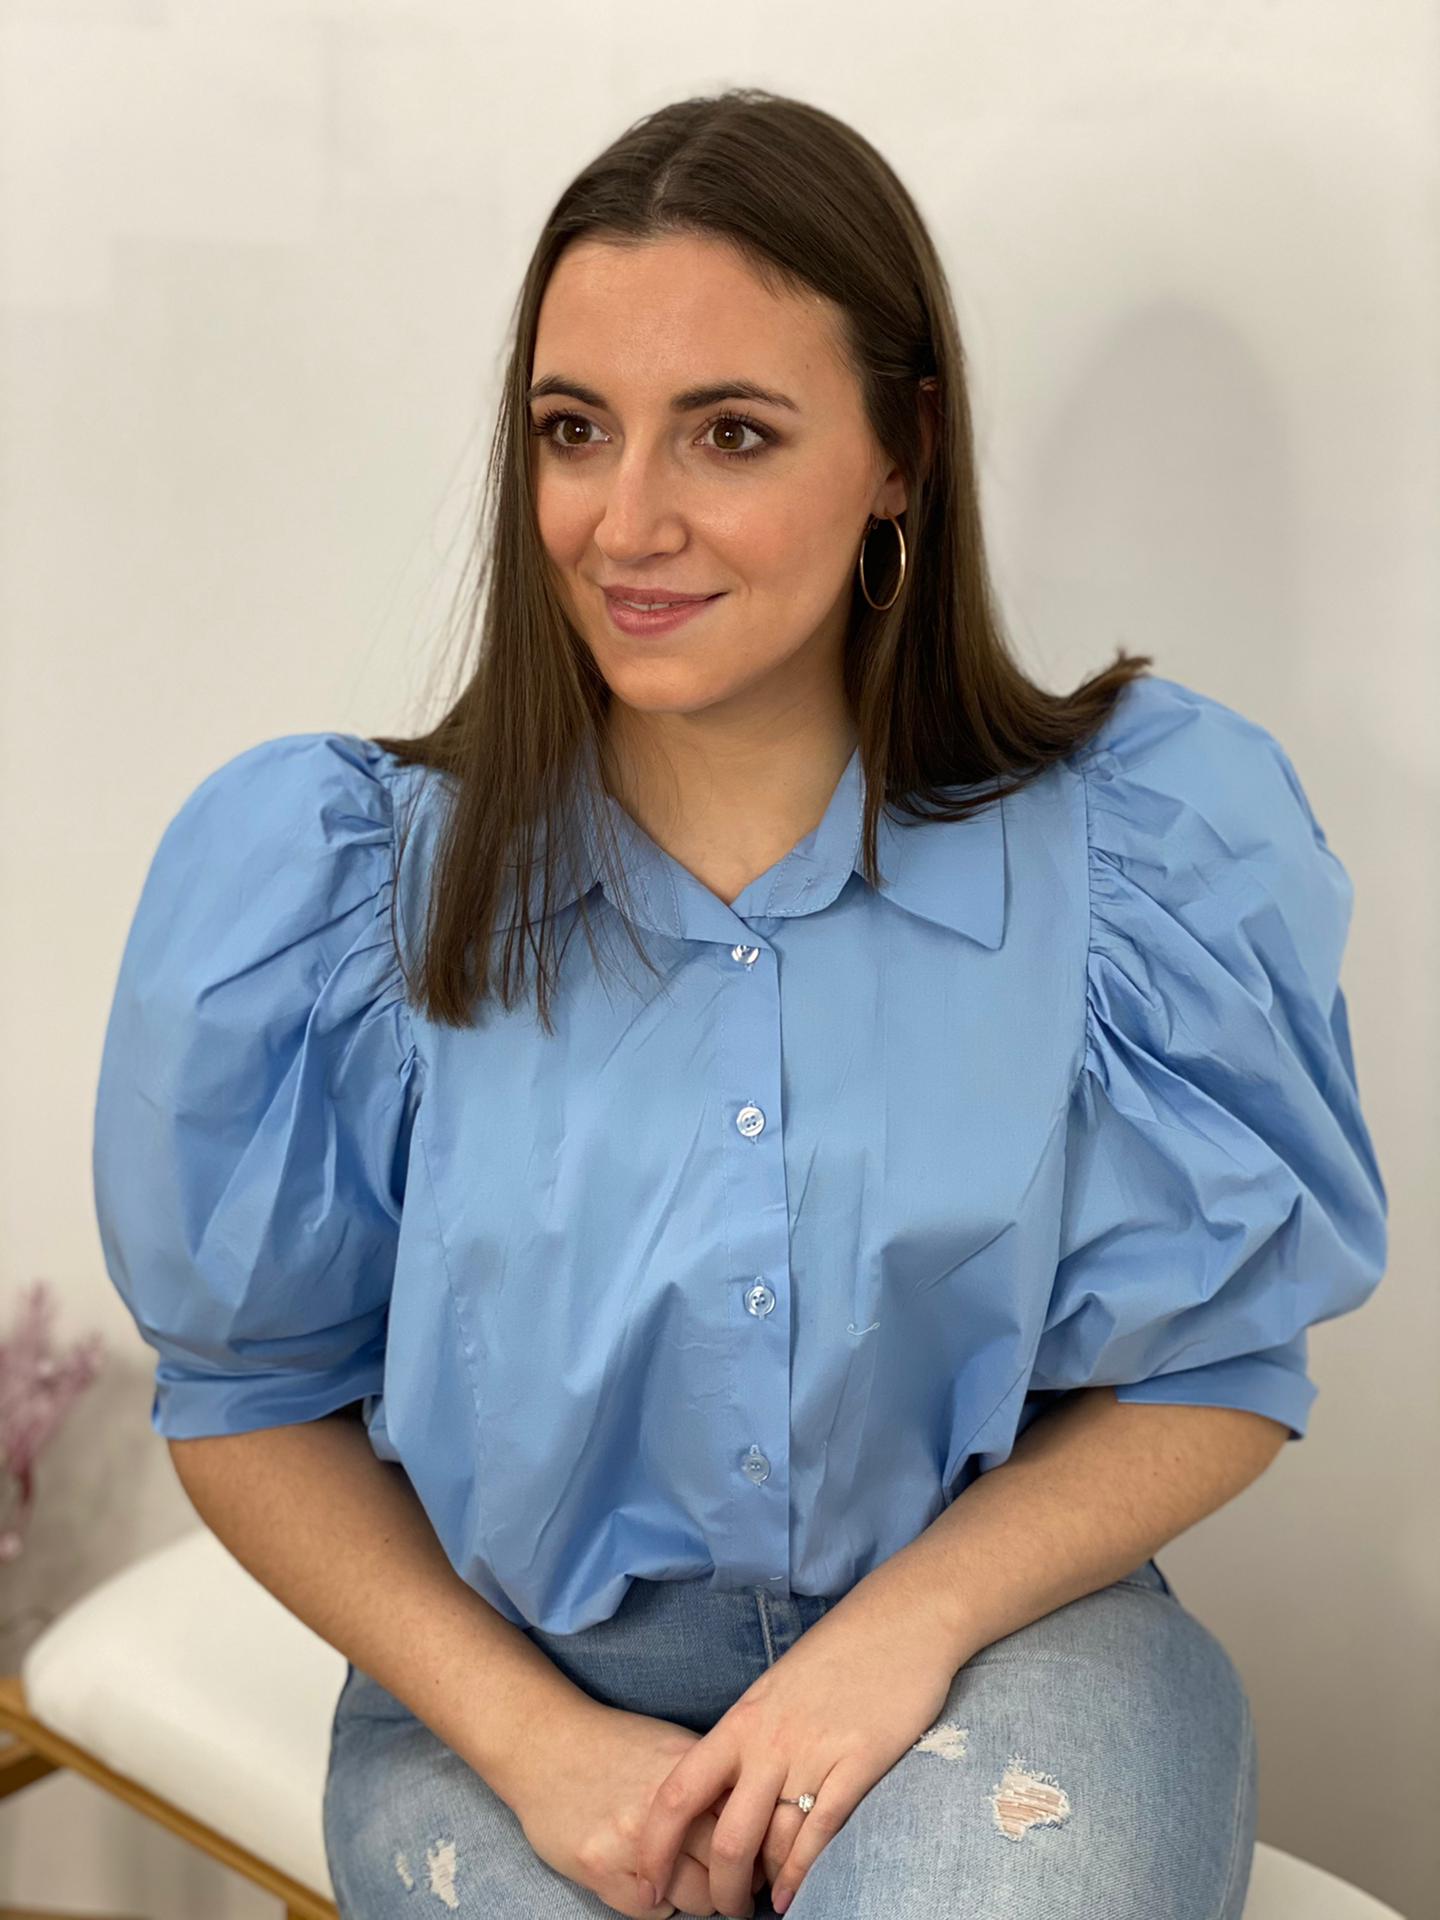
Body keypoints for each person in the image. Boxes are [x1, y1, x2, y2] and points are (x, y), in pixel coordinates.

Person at [92, 87, 1388, 1920]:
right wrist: (534, 1743)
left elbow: (1220, 1371)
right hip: (510, 1696)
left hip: (998, 1645)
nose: (628, 522)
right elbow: (247, 1400)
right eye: (575, 431)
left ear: (901, 451)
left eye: (729, 434)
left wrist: (898, 1635)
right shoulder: (339, 890)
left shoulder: (1137, 861)